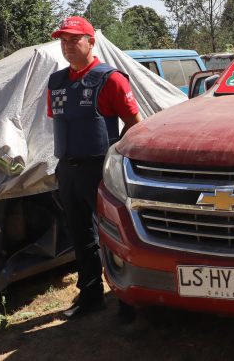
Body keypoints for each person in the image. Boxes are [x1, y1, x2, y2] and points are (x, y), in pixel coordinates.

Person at [47, 16, 142, 319]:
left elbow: (135, 124)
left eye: (74, 39)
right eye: (63, 40)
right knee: (80, 235)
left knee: (114, 235)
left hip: (99, 169)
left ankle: (128, 299)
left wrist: (115, 159)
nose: (67, 46)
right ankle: (90, 295)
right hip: (68, 170)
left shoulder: (110, 78)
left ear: (91, 41)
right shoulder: (57, 82)